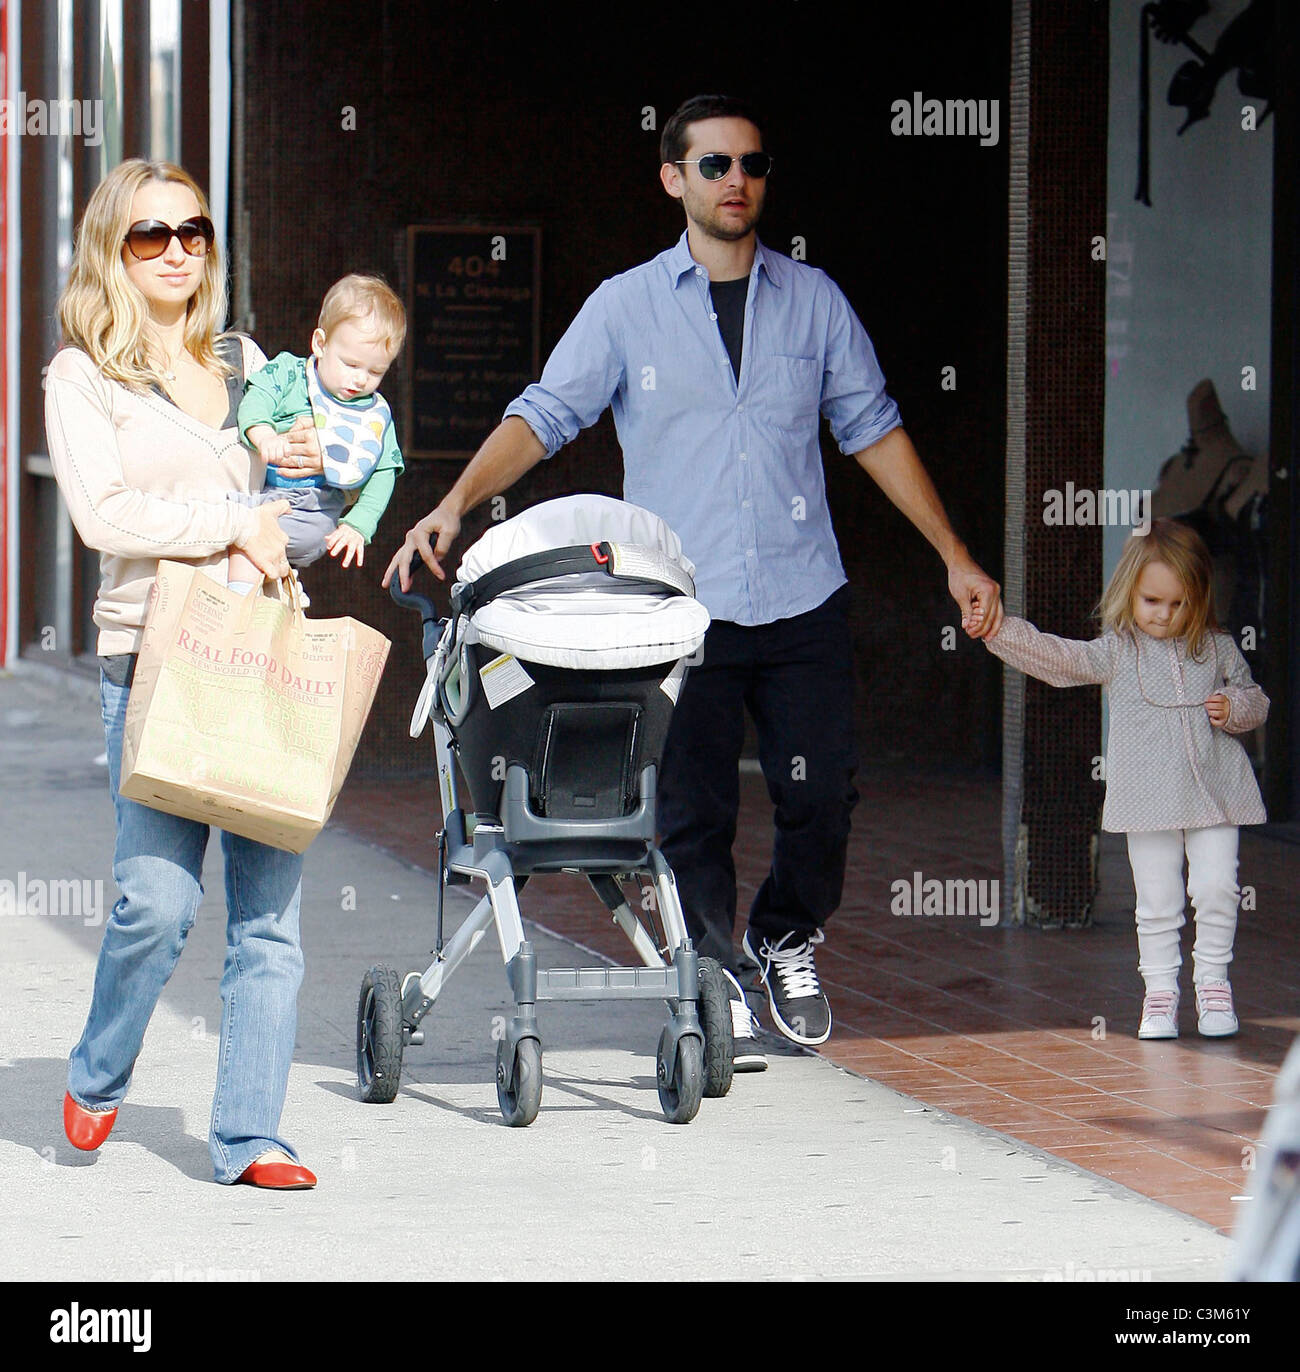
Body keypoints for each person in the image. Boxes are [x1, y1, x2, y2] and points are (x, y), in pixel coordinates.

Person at [385, 94, 1002, 1063]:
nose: (736, 182)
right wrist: (455, 502)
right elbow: (545, 413)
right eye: (713, 165)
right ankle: (713, 977)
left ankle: (785, 933)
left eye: (751, 165)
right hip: (684, 606)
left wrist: (954, 555)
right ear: (673, 178)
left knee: (824, 794)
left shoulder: (814, 301)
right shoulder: (626, 306)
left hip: (802, 595)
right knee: (692, 809)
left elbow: (872, 428)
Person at [45, 158, 325, 1188]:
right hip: (153, 658)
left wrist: (305, 474)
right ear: (112, 250)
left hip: (259, 655)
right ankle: (100, 1069)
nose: (175, 252)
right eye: (148, 235)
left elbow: (296, 505)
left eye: (192, 232)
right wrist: (233, 521)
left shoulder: (251, 362)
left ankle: (251, 1135)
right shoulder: (83, 375)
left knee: (270, 919)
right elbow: (103, 516)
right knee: (155, 904)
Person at [979, 519, 1268, 1038]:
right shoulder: (1117, 651)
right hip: (1148, 797)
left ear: (1199, 597)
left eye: (1179, 604)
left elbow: (1255, 698)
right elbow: (1060, 659)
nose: (1164, 615)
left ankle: (1214, 984)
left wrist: (1235, 708)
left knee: (1219, 886)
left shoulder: (1217, 647)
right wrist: (1000, 632)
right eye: (1152, 601)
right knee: (1157, 901)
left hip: (1218, 791)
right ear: (1129, 592)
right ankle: (1159, 994)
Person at [226, 273, 406, 590]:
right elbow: (257, 399)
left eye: (375, 371)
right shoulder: (289, 373)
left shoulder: (374, 415)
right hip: (256, 489)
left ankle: (236, 604)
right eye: (350, 364)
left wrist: (359, 523)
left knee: (252, 535)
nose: (361, 380)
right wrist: (264, 433)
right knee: (220, 515)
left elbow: (384, 471)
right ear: (320, 344)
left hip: (312, 508)